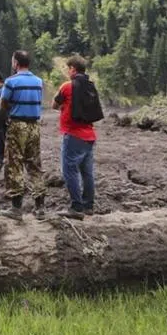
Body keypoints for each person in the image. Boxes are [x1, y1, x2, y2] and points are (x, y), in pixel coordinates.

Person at [1, 49, 47, 219]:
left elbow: (3, 103)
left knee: (15, 163)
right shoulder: (38, 81)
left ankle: (16, 207)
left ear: (16, 63)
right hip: (34, 125)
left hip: (18, 124)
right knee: (35, 165)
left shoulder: (11, 81)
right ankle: (40, 207)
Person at [53, 56, 97, 218]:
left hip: (73, 134)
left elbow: (54, 105)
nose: (67, 71)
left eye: (68, 68)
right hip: (89, 135)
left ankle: (76, 207)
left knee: (69, 170)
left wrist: (65, 106)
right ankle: (88, 206)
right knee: (87, 172)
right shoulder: (91, 86)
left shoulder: (67, 86)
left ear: (73, 69)